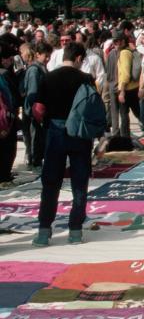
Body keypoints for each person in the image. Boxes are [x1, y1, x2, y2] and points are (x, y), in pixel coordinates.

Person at [32, 42, 95, 246]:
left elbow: (38, 108)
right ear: (78, 58)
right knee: (79, 181)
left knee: (50, 182)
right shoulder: (85, 79)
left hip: (55, 130)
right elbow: (93, 107)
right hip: (80, 133)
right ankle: (75, 230)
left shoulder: (49, 77)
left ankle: (44, 230)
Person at [21, 41, 51, 169]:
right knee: (35, 138)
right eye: (46, 56)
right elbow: (32, 93)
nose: (48, 58)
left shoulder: (41, 68)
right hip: (35, 111)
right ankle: (35, 160)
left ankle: (37, 158)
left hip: (39, 110)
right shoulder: (34, 70)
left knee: (39, 137)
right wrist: (36, 111)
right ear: (37, 54)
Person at [115, 34, 142, 139]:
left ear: (123, 41)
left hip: (127, 89)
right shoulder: (127, 52)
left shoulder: (124, 53)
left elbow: (125, 74)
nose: (115, 44)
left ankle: (125, 140)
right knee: (138, 114)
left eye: (117, 41)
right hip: (132, 88)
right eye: (114, 42)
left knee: (125, 117)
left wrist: (121, 91)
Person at [0, 43, 19, 185]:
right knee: (7, 147)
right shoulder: (5, 75)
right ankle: (4, 175)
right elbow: (13, 98)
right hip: (5, 117)